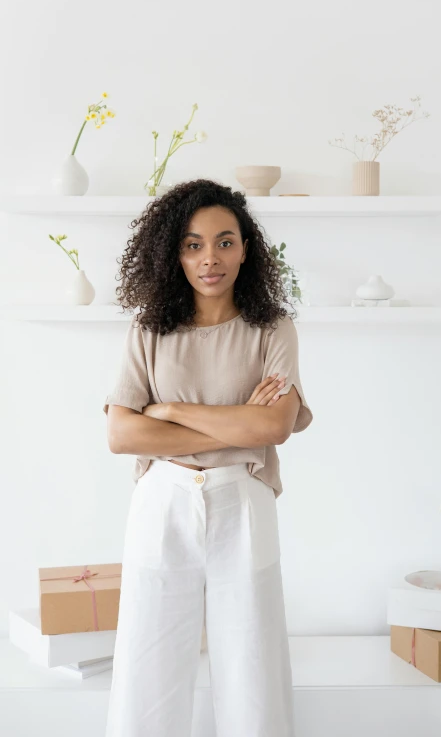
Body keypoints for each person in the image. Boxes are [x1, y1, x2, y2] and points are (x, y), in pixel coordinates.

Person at [103, 178, 313, 737]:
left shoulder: (272, 328)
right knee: (148, 660)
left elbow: (274, 425)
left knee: (252, 661)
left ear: (246, 248)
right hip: (161, 501)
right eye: (193, 244)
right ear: (173, 252)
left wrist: (168, 409)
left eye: (225, 241)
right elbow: (122, 435)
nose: (210, 258)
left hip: (243, 501)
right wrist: (235, 422)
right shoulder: (150, 327)